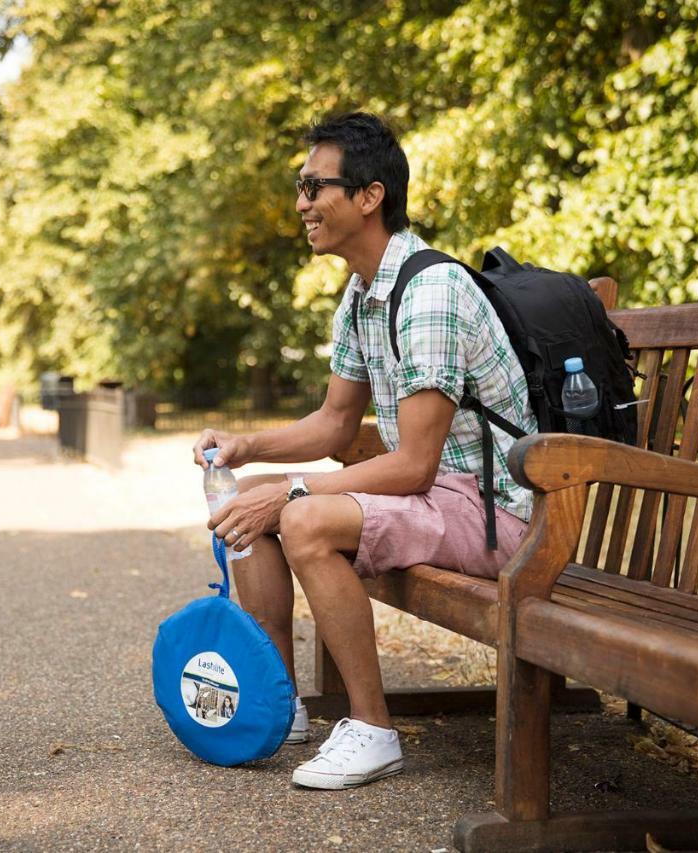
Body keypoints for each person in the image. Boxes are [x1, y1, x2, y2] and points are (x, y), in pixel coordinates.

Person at [194, 112, 536, 791]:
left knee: (298, 516)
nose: (301, 204)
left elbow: (415, 464)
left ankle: (374, 728)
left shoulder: (429, 289)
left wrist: (291, 494)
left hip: (496, 513)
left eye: (315, 187)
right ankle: (280, 703)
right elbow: (333, 422)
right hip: (440, 497)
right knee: (244, 500)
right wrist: (246, 446)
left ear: (369, 196)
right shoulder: (360, 293)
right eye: (301, 187)